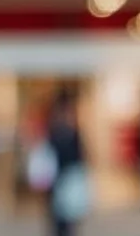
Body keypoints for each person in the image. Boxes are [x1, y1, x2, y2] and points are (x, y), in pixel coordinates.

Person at [46, 90, 88, 236]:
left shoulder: (59, 129)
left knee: (65, 214)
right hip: (61, 175)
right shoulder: (61, 130)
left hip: (64, 175)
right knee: (62, 214)